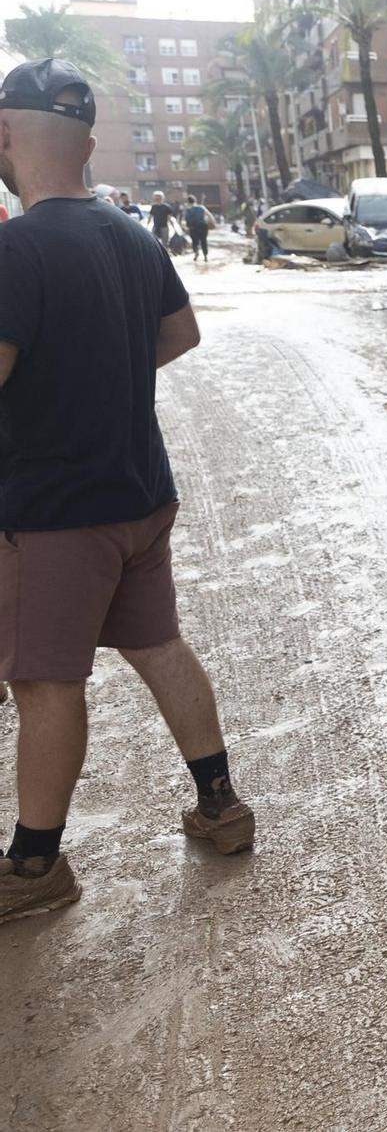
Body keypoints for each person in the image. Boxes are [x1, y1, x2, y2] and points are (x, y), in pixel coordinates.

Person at [0, 59, 255, 924]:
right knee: (158, 645)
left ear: (5, 135)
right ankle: (220, 804)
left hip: (55, 511)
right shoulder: (133, 235)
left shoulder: (16, 248)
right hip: (141, 493)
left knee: (44, 682)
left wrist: (63, 373)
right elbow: (180, 334)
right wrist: (100, 365)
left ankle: (35, 863)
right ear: (89, 144)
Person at [183, 194, 210, 262]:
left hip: (193, 227)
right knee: (204, 241)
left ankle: (196, 253)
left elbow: (185, 219)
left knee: (194, 241)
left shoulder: (187, 210)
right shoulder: (201, 207)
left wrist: (185, 227)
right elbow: (208, 215)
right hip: (203, 226)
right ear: (195, 201)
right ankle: (205, 256)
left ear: (188, 202)